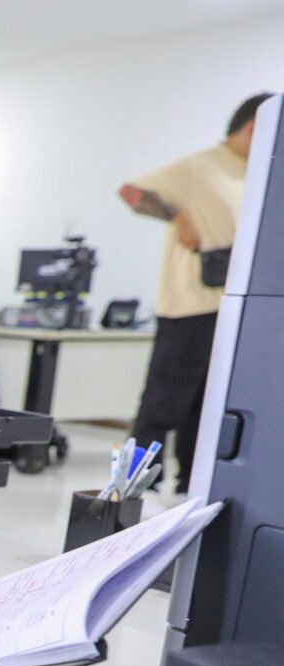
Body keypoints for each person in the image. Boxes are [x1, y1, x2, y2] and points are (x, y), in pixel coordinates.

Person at [119, 92, 271, 496]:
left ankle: (192, 487)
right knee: (162, 404)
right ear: (255, 127)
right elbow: (132, 193)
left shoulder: (258, 171)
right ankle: (131, 486)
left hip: (234, 308)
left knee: (207, 407)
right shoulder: (200, 166)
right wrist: (179, 215)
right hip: (189, 307)